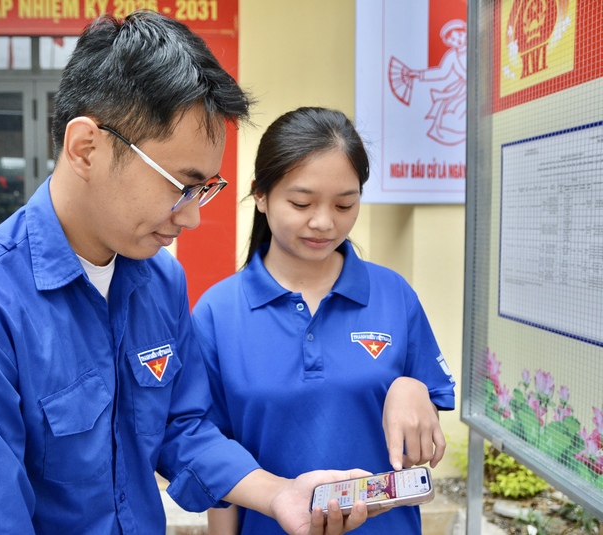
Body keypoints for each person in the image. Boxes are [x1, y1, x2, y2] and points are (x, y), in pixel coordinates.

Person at [0, 13, 371, 535]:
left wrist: (278, 493)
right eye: (180, 185)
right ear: (86, 148)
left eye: (204, 189)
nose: (192, 216)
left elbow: (180, 426)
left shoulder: (158, 281)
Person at [192, 107, 457, 534]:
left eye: (344, 204)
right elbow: (213, 455)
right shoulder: (217, 313)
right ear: (260, 195)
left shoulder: (394, 295)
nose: (323, 222)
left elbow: (417, 447)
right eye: (301, 203)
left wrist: (414, 389)